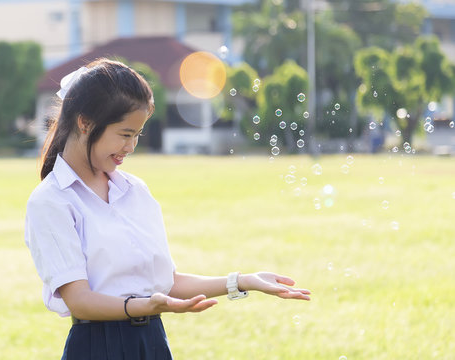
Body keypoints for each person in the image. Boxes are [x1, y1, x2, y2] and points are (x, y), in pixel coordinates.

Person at [24, 58, 311, 360]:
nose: (131, 147)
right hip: (98, 347)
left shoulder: (135, 191)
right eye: (125, 134)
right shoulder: (52, 201)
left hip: (151, 342)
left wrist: (241, 281)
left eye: (137, 135)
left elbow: (167, 282)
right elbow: (80, 301)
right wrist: (142, 306)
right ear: (85, 123)